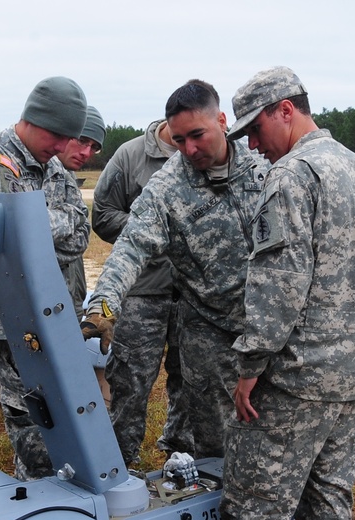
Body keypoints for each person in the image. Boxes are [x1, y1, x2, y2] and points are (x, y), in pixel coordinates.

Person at [217, 66, 355, 520]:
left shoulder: (292, 175)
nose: (250, 146)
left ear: (284, 111)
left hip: (293, 382)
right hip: (353, 374)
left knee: (258, 500)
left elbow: (277, 285)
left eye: (254, 130)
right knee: (331, 492)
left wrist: (249, 367)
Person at [82, 79, 267, 460]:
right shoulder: (168, 186)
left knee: (268, 419)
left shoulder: (263, 165)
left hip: (266, 319)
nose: (190, 150)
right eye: (180, 140)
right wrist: (104, 304)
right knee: (213, 428)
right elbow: (130, 246)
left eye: (197, 135)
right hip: (207, 322)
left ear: (221, 119)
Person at [0, 76, 89, 480]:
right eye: (59, 135)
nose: (65, 148)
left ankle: (58, 494)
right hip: (10, 316)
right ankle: (38, 499)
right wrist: (48, 225)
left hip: (55, 310)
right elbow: (14, 233)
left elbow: (80, 236)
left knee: (66, 410)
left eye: (71, 138)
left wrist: (36, 226)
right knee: (31, 417)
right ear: (35, 119)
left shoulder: (54, 169)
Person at [91, 118, 193, 465]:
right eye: (182, 135)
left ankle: (182, 459)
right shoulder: (130, 156)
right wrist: (151, 228)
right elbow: (102, 215)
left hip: (193, 294)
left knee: (190, 379)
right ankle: (119, 462)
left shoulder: (204, 155)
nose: (189, 145)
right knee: (130, 381)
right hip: (142, 292)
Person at [56, 105, 106, 318]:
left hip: (72, 301)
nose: (87, 153)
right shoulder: (31, 176)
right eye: (82, 140)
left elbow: (82, 236)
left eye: (94, 147)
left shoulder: (67, 177)